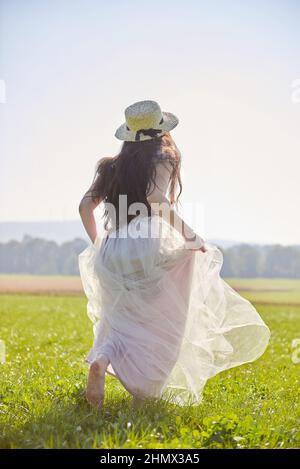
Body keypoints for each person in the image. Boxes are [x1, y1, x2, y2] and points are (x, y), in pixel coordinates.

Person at [78, 100, 270, 409]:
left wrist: (99, 245)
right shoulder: (163, 157)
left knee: (119, 317)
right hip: (147, 243)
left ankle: (103, 357)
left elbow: (85, 206)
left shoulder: (109, 166)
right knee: (164, 314)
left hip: (112, 250)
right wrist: (191, 237)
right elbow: (156, 198)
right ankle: (145, 389)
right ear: (160, 131)